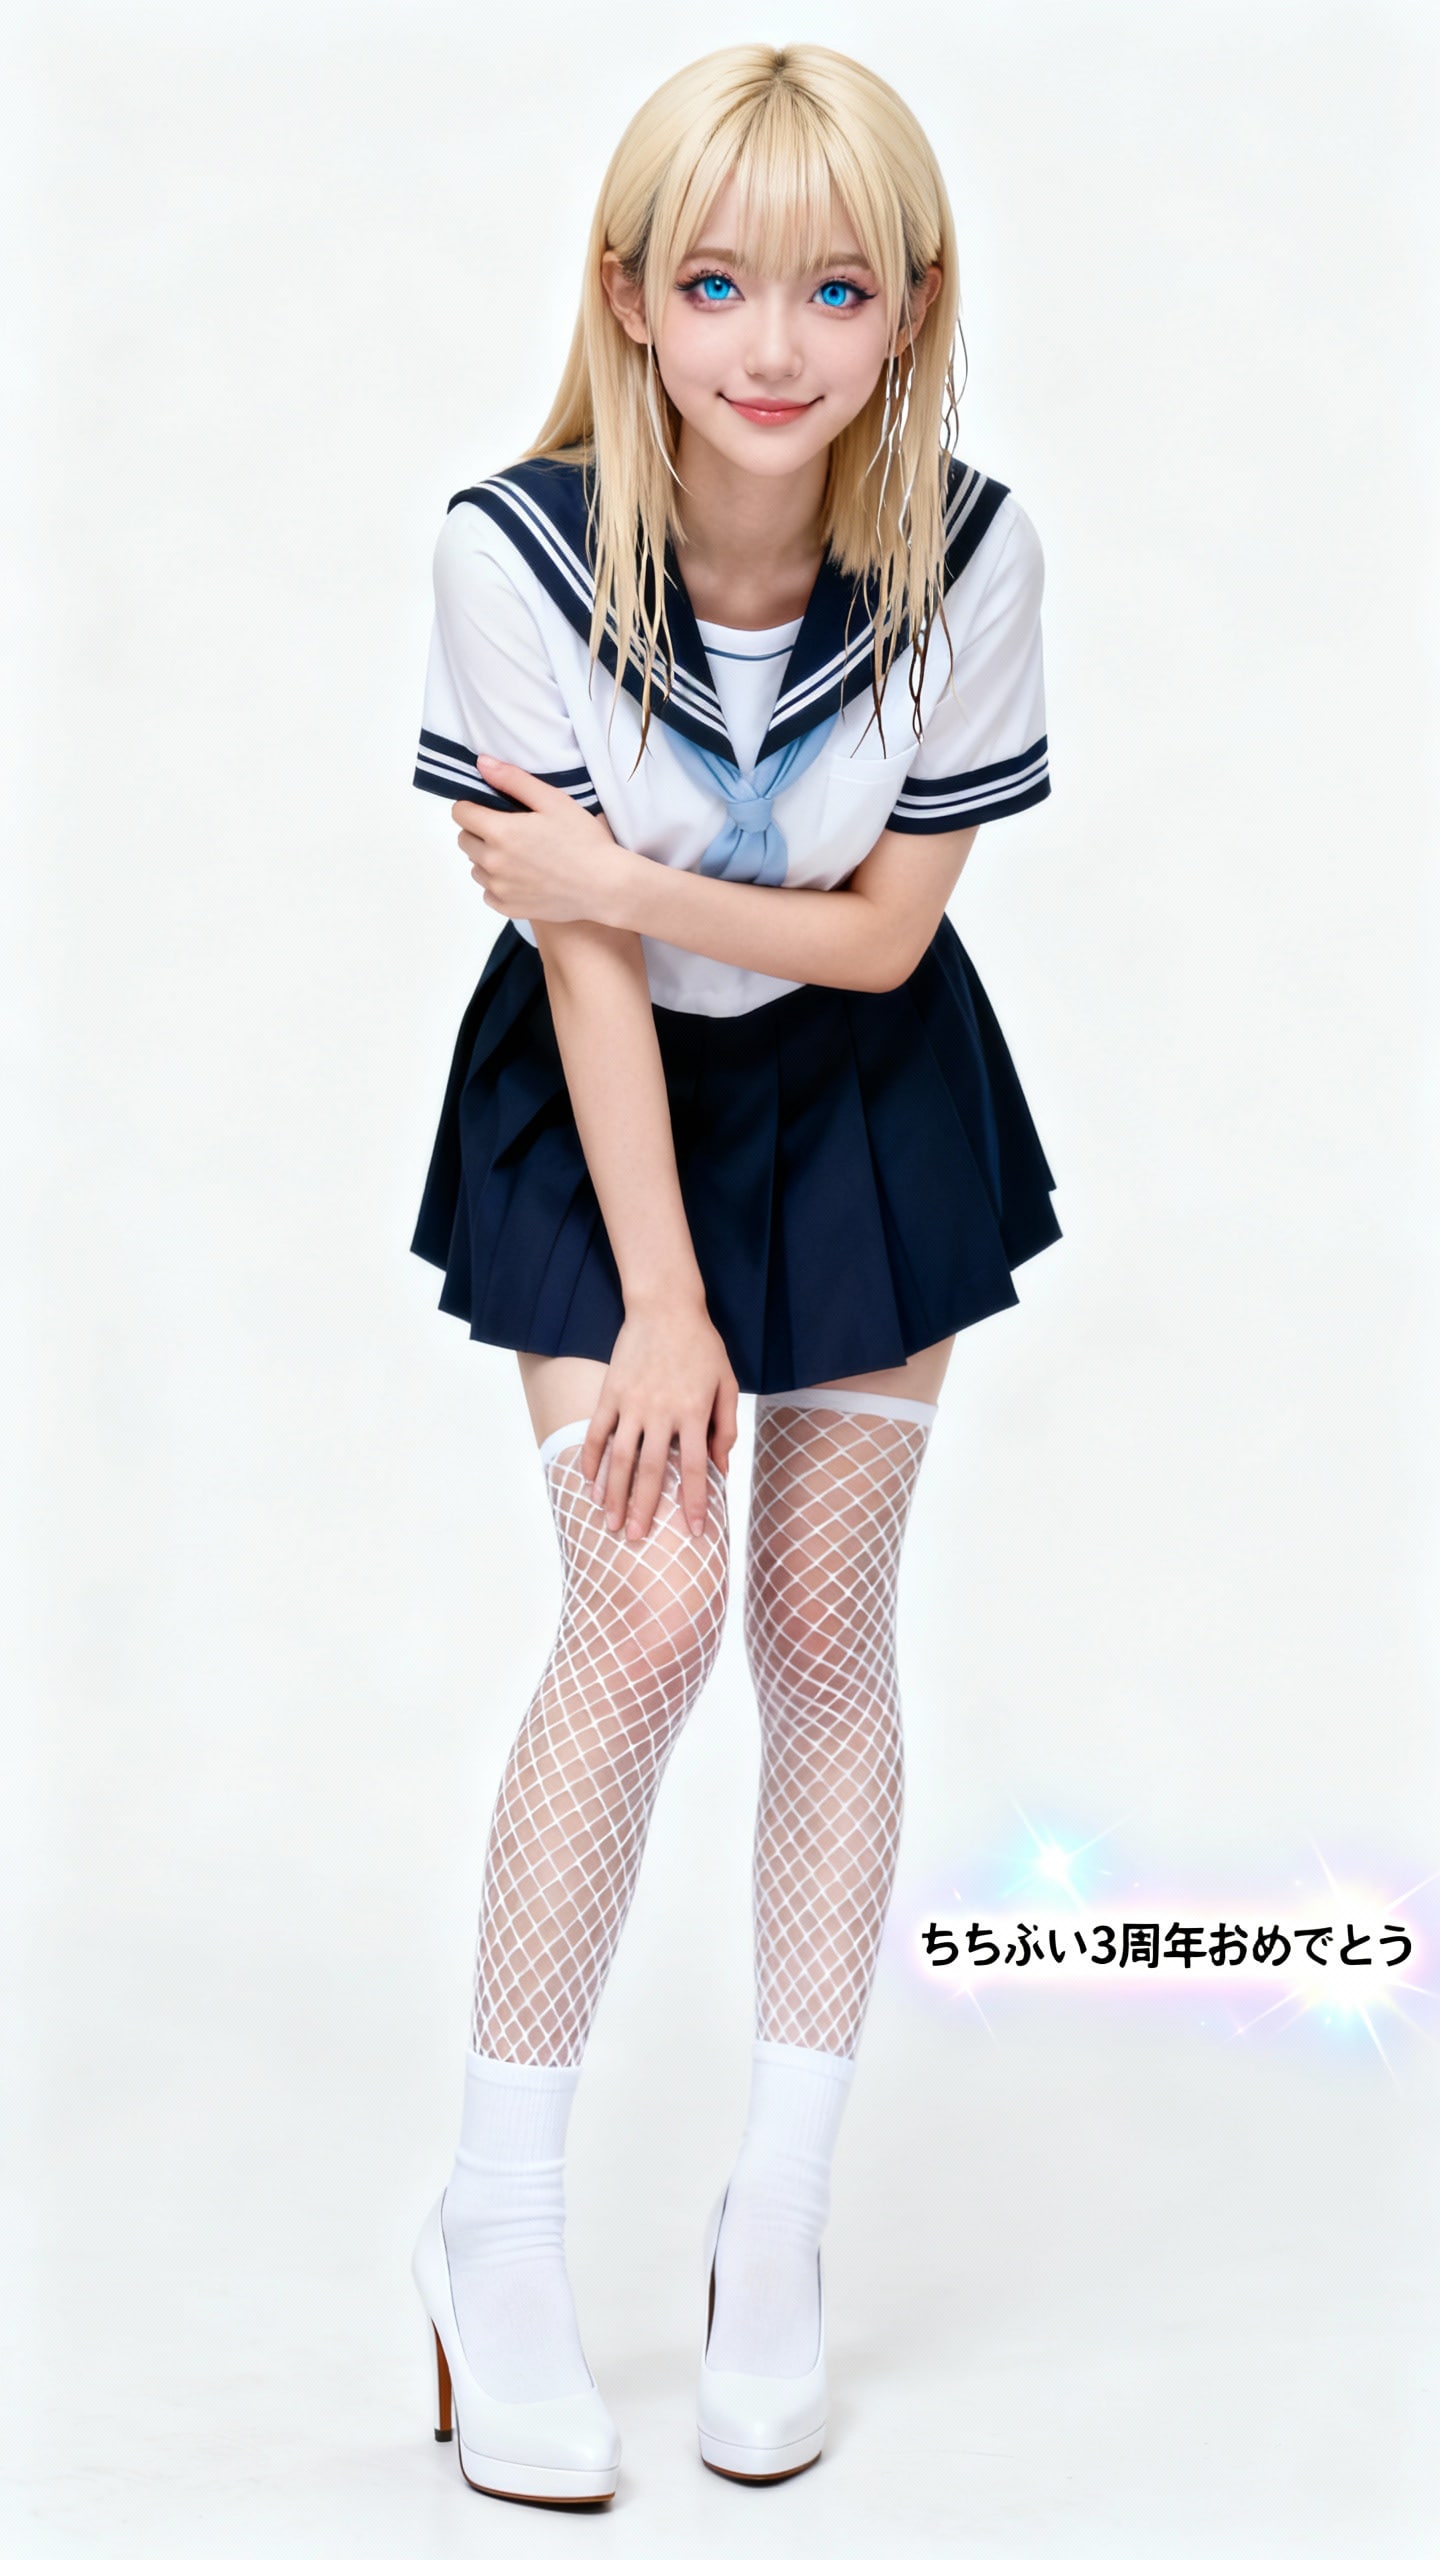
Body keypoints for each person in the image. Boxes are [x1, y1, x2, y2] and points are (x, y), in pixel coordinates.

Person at [406, 39, 1061, 2507]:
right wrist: (663, 1298)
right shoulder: (512, 552)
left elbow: (887, 939)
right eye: (714, 283)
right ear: (627, 298)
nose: (772, 342)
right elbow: (582, 965)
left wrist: (621, 871)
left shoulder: (972, 557)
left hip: (870, 1094)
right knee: (649, 1610)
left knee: (818, 1619)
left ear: (912, 307)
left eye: (834, 287)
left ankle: (774, 2219)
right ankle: (493, 2226)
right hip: (602, 1111)